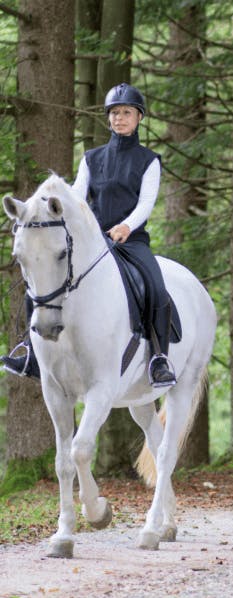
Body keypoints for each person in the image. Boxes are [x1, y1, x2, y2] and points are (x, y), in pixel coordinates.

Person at [2, 83, 176, 387]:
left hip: (131, 241)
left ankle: (159, 358)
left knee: (156, 287)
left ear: (139, 117)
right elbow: (77, 198)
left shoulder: (148, 161)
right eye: (115, 113)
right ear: (108, 118)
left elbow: (147, 202)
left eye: (126, 112)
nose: (120, 118)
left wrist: (126, 226)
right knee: (42, 279)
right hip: (94, 242)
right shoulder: (92, 159)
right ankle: (30, 352)